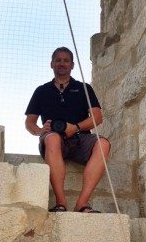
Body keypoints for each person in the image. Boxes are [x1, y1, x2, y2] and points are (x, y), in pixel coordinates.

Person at [25, 46, 110, 213]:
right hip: (53, 139)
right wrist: (40, 131)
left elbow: (97, 117)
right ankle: (61, 203)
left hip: (80, 137)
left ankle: (82, 203)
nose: (62, 64)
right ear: (52, 64)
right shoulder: (42, 91)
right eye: (58, 60)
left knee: (104, 144)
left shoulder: (84, 88)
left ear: (72, 65)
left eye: (66, 60)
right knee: (52, 138)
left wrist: (76, 127)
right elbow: (29, 122)